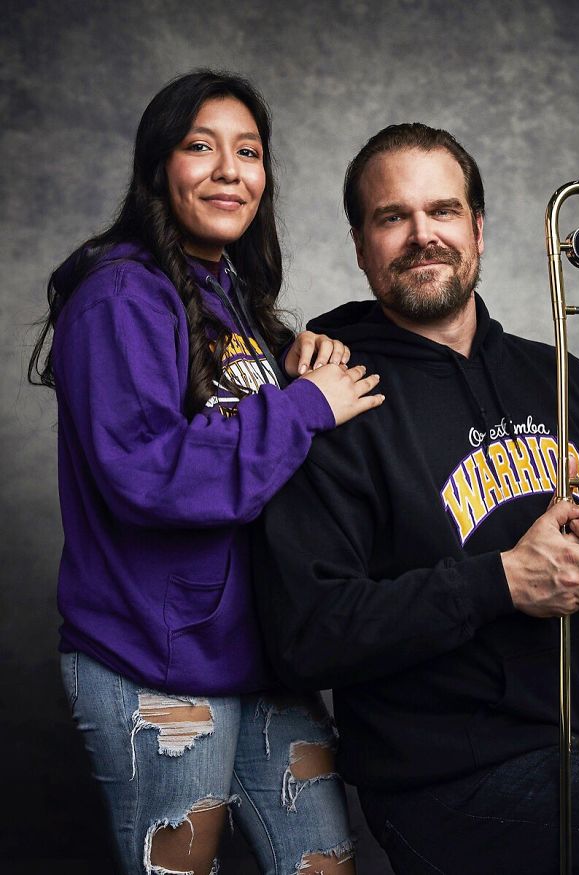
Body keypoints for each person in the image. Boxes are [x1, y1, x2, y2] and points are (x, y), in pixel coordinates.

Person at [254, 123, 579, 874]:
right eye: (392, 217)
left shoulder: (560, 375)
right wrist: (503, 580)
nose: (423, 235)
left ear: (479, 229)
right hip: (450, 784)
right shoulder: (330, 403)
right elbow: (309, 632)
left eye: (444, 211)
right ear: (361, 245)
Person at [29, 70, 383, 875]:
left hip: (258, 652)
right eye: (201, 146)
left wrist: (294, 372)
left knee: (324, 860)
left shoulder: (227, 291)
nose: (230, 169)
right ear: (161, 165)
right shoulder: (121, 292)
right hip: (153, 659)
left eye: (248, 151)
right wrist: (302, 409)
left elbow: (235, 431)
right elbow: (152, 475)